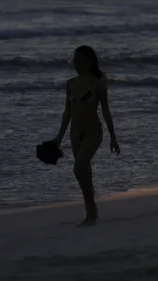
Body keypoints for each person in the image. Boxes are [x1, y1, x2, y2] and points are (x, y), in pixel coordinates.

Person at [53, 45, 120, 226]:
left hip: (93, 132)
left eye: (79, 60)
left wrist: (113, 137)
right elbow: (67, 112)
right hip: (75, 134)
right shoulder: (71, 84)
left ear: (89, 62)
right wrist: (59, 136)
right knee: (84, 175)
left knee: (78, 167)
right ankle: (91, 213)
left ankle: (91, 212)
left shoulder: (98, 83)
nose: (75, 63)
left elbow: (106, 110)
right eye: (74, 59)